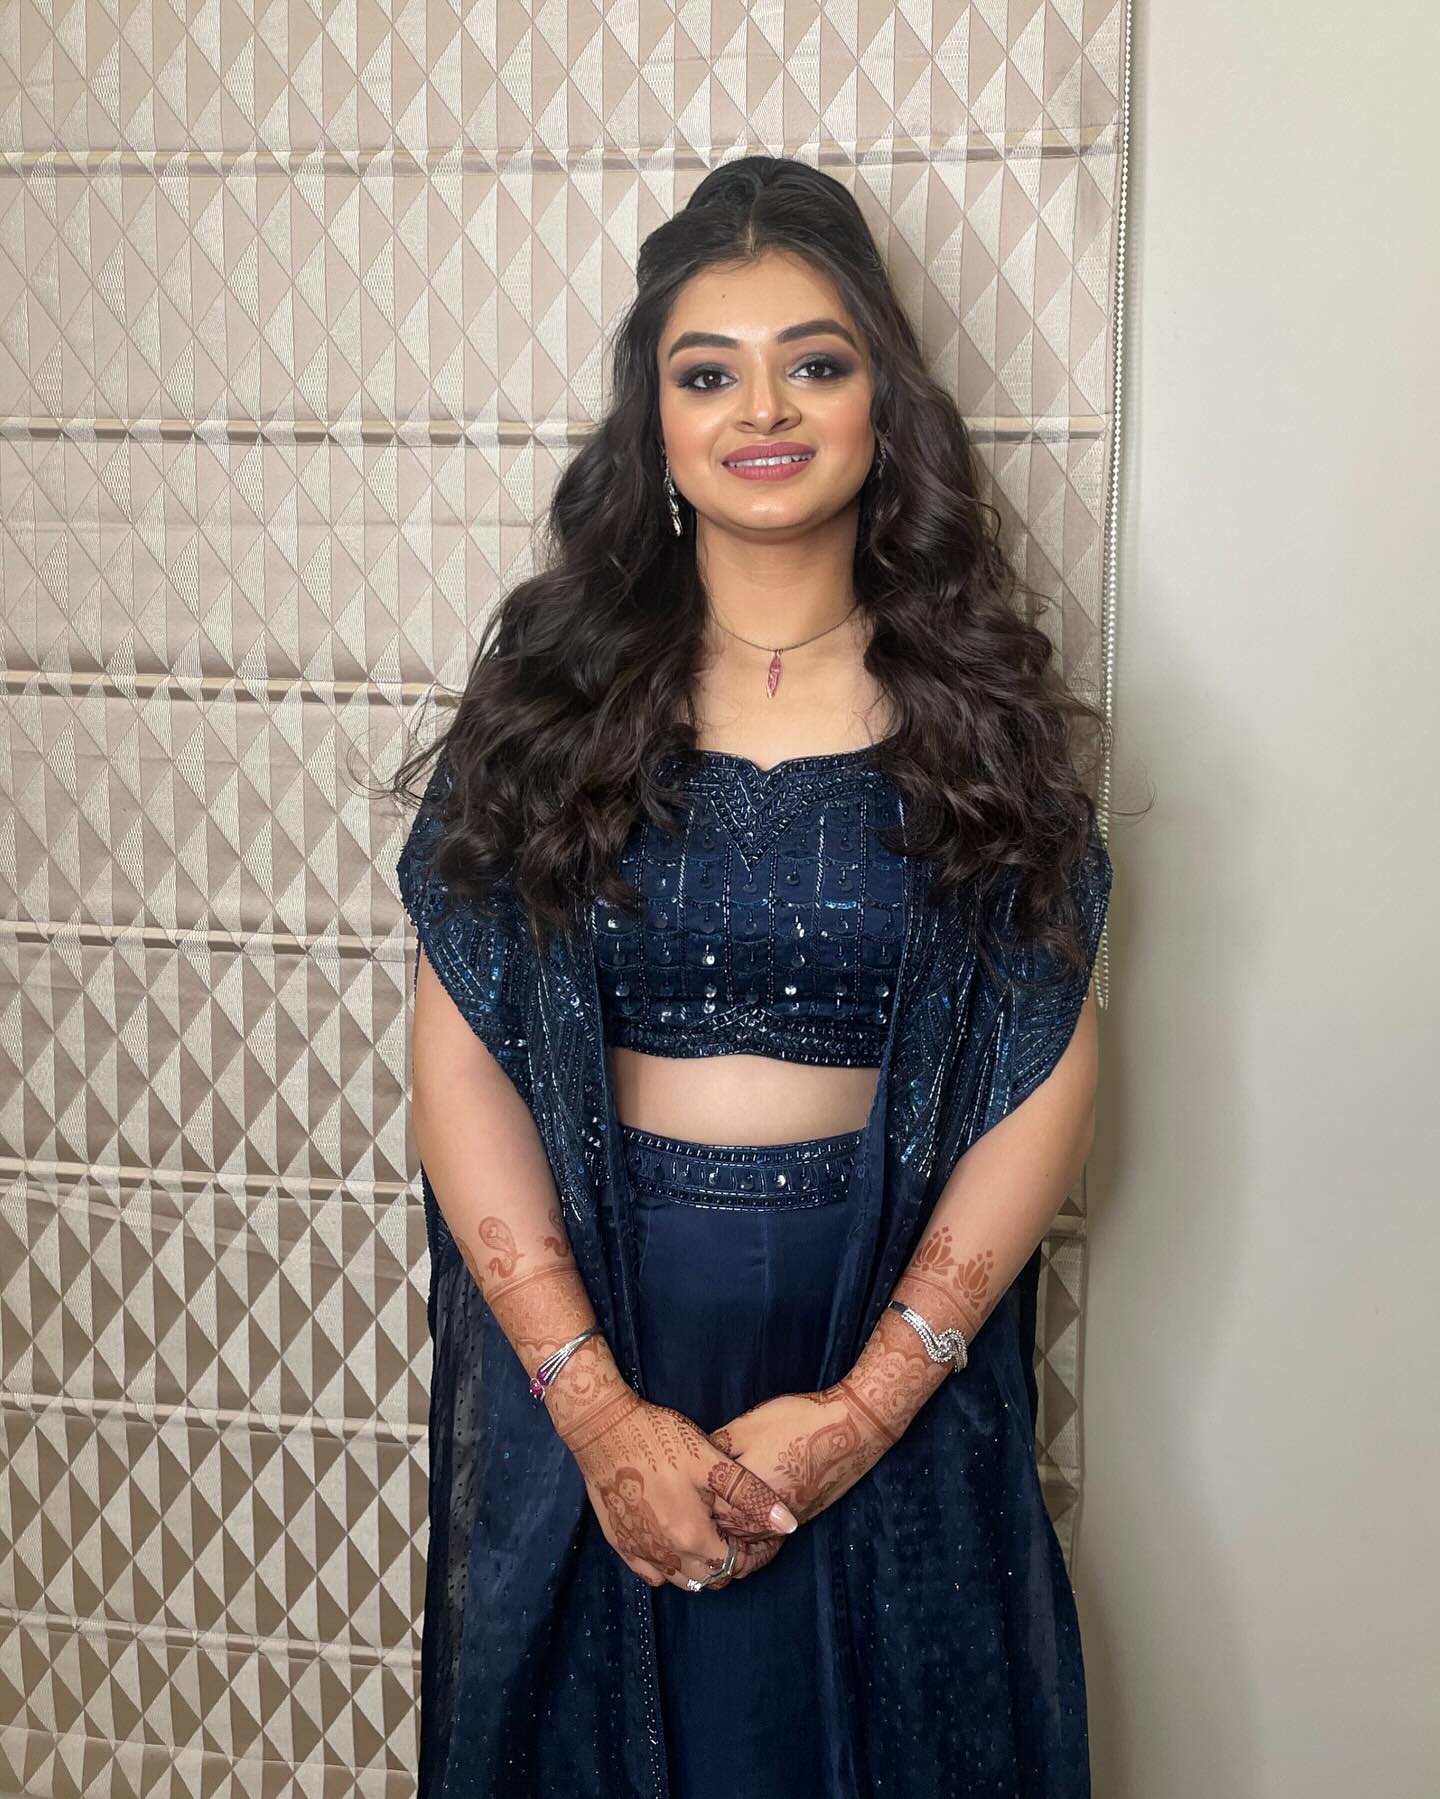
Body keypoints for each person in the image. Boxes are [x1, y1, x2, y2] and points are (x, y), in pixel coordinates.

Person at [393, 155, 1115, 1799]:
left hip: (883, 1321)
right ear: (653, 423)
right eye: (707, 373)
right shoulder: (551, 703)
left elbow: (1047, 1070)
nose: (762, 410)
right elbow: (463, 1063)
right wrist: (595, 1412)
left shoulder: (985, 715)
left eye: (816, 361)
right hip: (599, 1316)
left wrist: (865, 1408)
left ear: (885, 405)